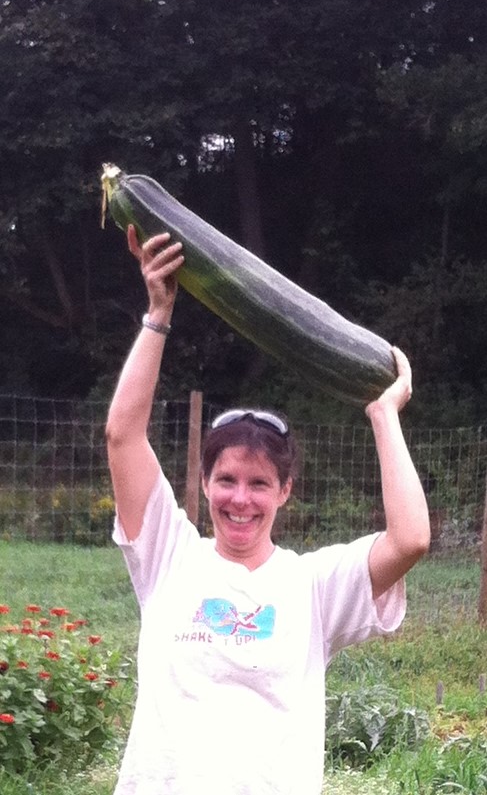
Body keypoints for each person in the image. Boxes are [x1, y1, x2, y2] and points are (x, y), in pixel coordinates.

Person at [106, 225, 430, 795]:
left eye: (260, 483)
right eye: (226, 479)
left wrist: (383, 415)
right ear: (203, 484)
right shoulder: (168, 554)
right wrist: (158, 314)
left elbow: (410, 540)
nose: (240, 498)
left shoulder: (313, 585)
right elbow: (123, 436)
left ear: (285, 490)